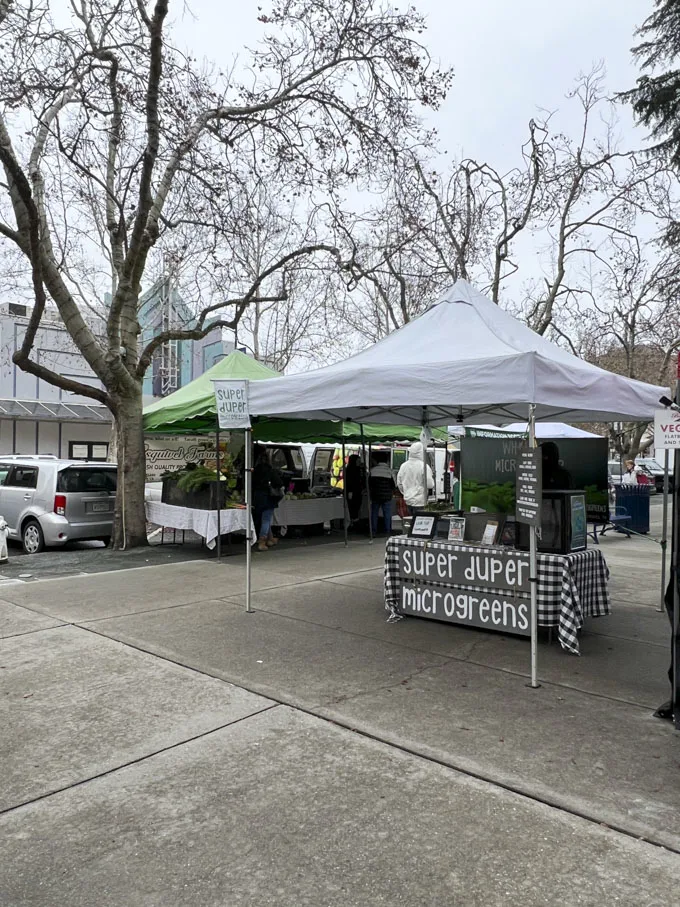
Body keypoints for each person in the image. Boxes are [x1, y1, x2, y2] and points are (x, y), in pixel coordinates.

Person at [252, 446, 285, 552]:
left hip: (257, 497)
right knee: (266, 519)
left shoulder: (254, 471)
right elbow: (279, 483)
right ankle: (262, 541)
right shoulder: (270, 470)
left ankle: (270, 539)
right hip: (268, 497)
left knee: (263, 518)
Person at [396, 442, 434, 514]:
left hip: (408, 500)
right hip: (420, 501)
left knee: (410, 522)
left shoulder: (403, 466)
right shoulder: (424, 466)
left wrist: (405, 493)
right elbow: (430, 484)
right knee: (419, 523)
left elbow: (399, 483)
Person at [369, 452, 396, 536]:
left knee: (374, 513)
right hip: (387, 496)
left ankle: (373, 531)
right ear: (386, 460)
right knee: (387, 514)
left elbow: (368, 484)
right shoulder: (390, 471)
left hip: (375, 495)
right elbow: (394, 485)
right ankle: (387, 530)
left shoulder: (372, 471)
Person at [344, 454, 363, 523]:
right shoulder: (349, 470)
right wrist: (350, 491)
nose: (359, 462)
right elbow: (348, 481)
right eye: (358, 460)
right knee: (352, 507)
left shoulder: (359, 469)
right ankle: (352, 521)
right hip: (352, 491)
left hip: (358, 491)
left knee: (356, 506)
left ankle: (355, 521)